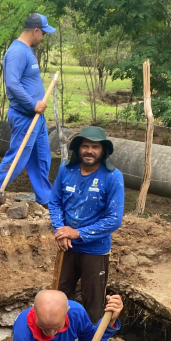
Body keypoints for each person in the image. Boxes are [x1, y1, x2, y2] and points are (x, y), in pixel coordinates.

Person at [0, 13, 56, 208]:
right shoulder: (17, 52)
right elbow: (12, 84)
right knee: (17, 158)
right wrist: (32, 104)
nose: (44, 37)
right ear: (35, 31)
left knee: (41, 158)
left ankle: (46, 198)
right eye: (43, 33)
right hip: (25, 116)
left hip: (37, 117)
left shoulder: (27, 51)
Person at [48, 126, 125, 323]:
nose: (89, 151)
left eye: (95, 147)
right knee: (61, 294)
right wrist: (61, 231)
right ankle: (61, 335)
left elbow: (114, 220)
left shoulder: (112, 177)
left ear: (103, 151)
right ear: (78, 149)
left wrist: (77, 233)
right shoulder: (66, 169)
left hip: (95, 249)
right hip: (67, 246)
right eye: (85, 146)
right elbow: (55, 201)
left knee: (93, 299)